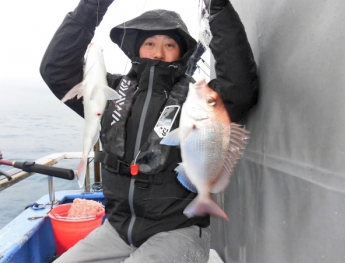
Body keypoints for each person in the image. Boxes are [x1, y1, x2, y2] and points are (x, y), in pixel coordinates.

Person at [40, 0, 259, 262]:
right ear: (136, 48)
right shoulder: (108, 92)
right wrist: (91, 6)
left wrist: (219, 9)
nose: (158, 53)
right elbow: (56, 70)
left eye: (169, 45)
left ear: (182, 52)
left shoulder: (197, 100)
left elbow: (239, 89)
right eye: (149, 44)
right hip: (117, 229)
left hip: (178, 230)